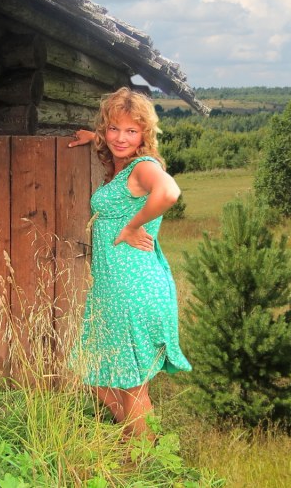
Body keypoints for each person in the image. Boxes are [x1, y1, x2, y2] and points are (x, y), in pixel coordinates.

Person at [67, 87, 191, 438]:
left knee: (132, 387)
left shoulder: (143, 167)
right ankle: (136, 441)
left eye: (131, 131)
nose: (121, 138)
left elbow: (170, 192)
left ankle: (144, 454)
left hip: (133, 289)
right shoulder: (124, 164)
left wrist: (133, 226)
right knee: (98, 375)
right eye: (114, 129)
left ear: (144, 134)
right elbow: (114, 146)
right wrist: (95, 139)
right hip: (118, 289)